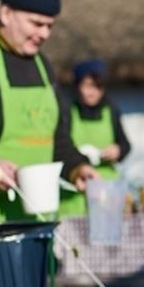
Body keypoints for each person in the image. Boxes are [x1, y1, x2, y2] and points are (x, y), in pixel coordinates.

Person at [0, 0, 97, 222]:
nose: (44, 34)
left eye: (49, 26)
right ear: (6, 14)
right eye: (36, 24)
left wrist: (77, 168)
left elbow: (56, 140)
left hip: (38, 220)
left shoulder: (43, 66)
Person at [58, 58, 131, 217]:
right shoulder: (67, 111)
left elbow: (125, 145)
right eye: (87, 86)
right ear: (77, 86)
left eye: (98, 87)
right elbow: (59, 146)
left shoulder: (110, 110)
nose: (92, 92)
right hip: (75, 191)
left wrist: (117, 150)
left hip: (105, 191)